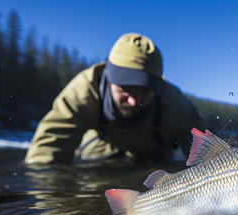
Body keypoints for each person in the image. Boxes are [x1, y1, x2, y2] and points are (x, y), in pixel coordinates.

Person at [25, 33, 205, 164]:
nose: (134, 101)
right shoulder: (83, 91)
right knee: (91, 161)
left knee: (164, 165)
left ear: (158, 88)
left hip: (155, 150)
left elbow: (207, 159)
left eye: (144, 92)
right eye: (125, 89)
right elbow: (47, 153)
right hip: (102, 144)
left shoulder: (177, 106)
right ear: (109, 80)